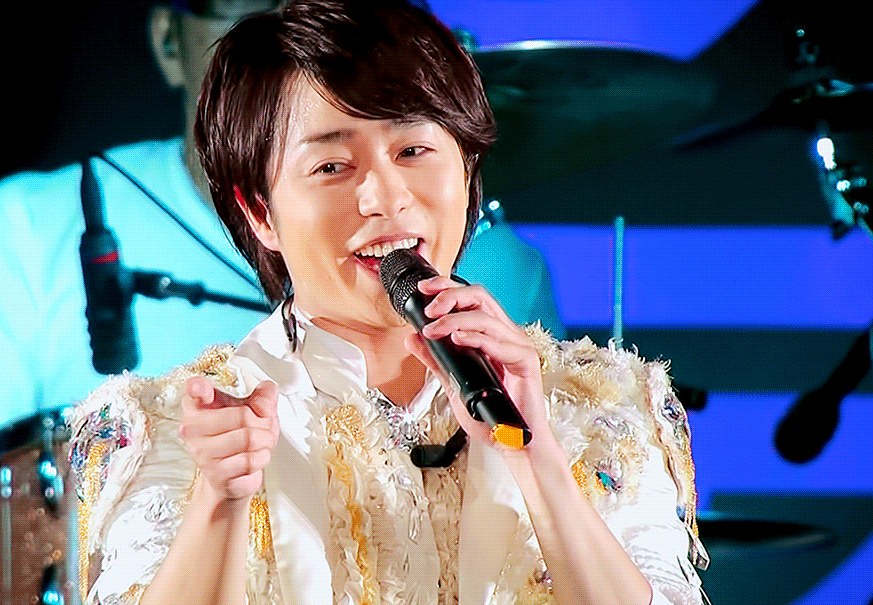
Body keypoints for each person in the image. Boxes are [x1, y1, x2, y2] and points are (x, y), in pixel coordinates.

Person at [69, 1, 708, 603]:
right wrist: (220, 500)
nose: (385, 197)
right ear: (261, 212)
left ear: (468, 173)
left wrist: (538, 456)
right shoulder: (168, 430)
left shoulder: (604, 408)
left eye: (413, 151)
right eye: (331, 167)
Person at [0, 0, 562, 482]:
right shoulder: (32, 223)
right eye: (243, 7)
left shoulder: (497, 265)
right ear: (169, 41)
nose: (286, 36)